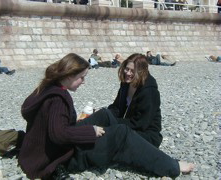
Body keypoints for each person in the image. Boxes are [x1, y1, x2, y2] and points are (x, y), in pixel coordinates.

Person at [18, 53, 194, 180]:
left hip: (46, 150)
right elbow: (59, 134)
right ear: (69, 75)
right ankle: (172, 166)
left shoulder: (48, 87)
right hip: (56, 157)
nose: (83, 82)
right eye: (81, 78)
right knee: (121, 133)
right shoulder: (58, 99)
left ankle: (158, 157)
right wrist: (91, 131)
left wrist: (94, 124)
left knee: (106, 116)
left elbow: (141, 123)